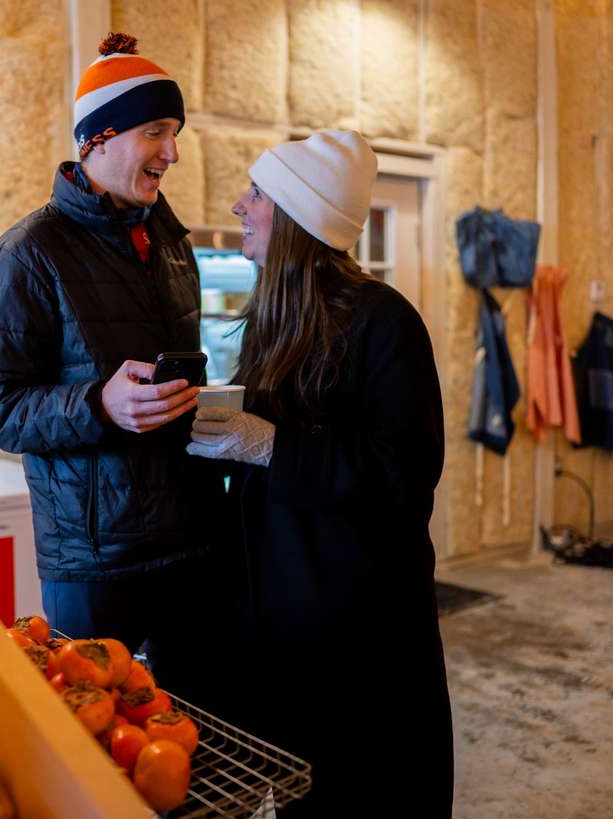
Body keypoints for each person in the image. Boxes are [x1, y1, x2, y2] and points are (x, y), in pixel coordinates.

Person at [186, 130, 453, 818]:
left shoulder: (385, 324)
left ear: (298, 217)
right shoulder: (273, 321)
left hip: (359, 634)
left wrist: (270, 446)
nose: (240, 207)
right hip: (283, 624)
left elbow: (405, 475)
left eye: (257, 195)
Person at [0, 33, 223, 672]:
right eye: (155, 131)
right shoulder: (27, 253)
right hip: (94, 561)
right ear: (98, 139)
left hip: (191, 536)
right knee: (94, 740)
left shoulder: (173, 244)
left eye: (175, 133)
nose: (172, 152)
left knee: (195, 735)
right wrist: (99, 405)